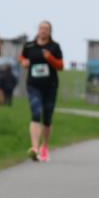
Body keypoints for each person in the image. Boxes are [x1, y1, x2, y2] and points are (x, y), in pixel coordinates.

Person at [20, 21, 64, 163]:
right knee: (36, 112)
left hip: (50, 86)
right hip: (33, 85)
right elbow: (22, 57)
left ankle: (45, 146)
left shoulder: (54, 47)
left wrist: (50, 58)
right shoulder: (29, 45)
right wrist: (24, 62)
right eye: (41, 28)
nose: (43, 31)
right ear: (38, 30)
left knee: (47, 117)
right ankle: (34, 148)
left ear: (50, 31)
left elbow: (61, 66)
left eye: (46, 29)